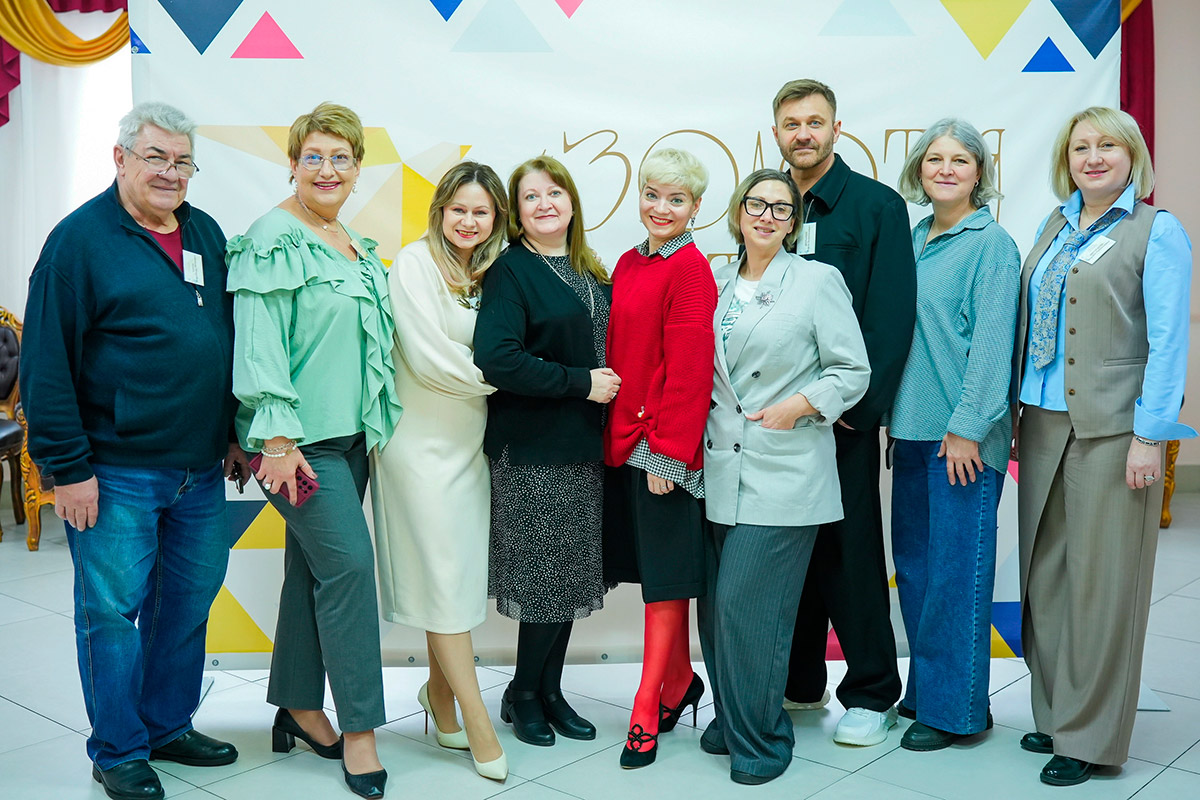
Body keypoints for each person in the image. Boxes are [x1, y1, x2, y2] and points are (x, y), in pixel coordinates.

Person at [19, 101, 244, 800]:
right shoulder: (78, 243)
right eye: (155, 157)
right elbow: (45, 366)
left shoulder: (204, 231)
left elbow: (224, 338)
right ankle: (117, 749)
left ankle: (167, 724)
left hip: (199, 468)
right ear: (120, 158)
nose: (170, 173)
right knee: (111, 613)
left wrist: (233, 432)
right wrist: (67, 470)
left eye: (182, 161)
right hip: (113, 471)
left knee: (187, 604)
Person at [227, 102, 402, 799]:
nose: (327, 170)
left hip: (350, 443)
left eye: (341, 158)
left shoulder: (350, 241)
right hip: (295, 450)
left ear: (357, 168)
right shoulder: (271, 237)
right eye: (314, 157)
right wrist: (275, 438)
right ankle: (360, 731)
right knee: (351, 570)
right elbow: (259, 342)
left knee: (313, 571)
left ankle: (298, 707)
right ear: (293, 164)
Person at [1015, 106, 1194, 787]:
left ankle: (1090, 735)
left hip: (1117, 429)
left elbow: (1169, 342)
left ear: (1131, 156)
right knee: (1047, 577)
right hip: (1042, 422)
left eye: (1107, 146)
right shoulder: (1053, 224)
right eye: (1081, 147)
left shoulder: (1156, 230)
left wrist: (1150, 435)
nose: (1093, 157)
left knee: (1103, 584)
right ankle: (1058, 712)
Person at [698, 169, 870, 784]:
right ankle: (733, 717)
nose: (767, 216)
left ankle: (763, 739)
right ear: (737, 212)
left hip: (785, 468)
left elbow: (852, 370)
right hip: (719, 471)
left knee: (748, 610)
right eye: (757, 204)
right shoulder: (714, 281)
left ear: (794, 222)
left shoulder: (818, 281)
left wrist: (802, 404)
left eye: (781, 208)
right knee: (717, 613)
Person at [772, 78, 915, 745]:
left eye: (814, 122)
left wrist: (858, 410)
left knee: (850, 552)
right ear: (776, 133)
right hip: (776, 418)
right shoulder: (768, 203)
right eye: (791, 123)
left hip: (842, 417)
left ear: (836, 128)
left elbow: (890, 317)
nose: (803, 133)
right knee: (789, 548)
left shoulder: (877, 206)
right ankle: (801, 682)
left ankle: (872, 692)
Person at [474, 155, 620, 749]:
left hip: (582, 448)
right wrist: (579, 383)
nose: (544, 204)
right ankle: (524, 694)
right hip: (533, 451)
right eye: (530, 197)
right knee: (542, 579)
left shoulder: (588, 268)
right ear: (516, 212)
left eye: (554, 192)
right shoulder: (511, 271)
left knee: (566, 576)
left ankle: (549, 691)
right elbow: (498, 358)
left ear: (572, 201)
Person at [369, 161, 508, 781]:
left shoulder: (495, 269)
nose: (469, 222)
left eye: (481, 211)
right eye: (459, 210)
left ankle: (440, 697)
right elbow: (431, 360)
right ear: (440, 211)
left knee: (449, 577)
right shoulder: (414, 263)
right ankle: (479, 725)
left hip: (470, 442)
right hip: (417, 446)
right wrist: (515, 378)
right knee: (446, 580)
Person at [888, 119, 1020, 751]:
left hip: (960, 439)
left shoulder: (991, 244)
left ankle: (955, 713)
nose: (945, 169)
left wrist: (967, 428)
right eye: (935, 159)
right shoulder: (915, 238)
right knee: (916, 570)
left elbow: (993, 348)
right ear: (919, 168)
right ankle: (931, 692)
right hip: (911, 432)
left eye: (960, 160)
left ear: (979, 173)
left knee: (954, 575)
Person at [602, 148, 717, 769]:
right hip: (622, 441)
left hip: (661, 449)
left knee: (667, 580)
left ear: (696, 207)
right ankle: (679, 683)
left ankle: (646, 707)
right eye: (653, 195)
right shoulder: (628, 262)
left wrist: (668, 455)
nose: (662, 208)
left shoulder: (692, 270)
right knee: (650, 572)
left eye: (677, 199)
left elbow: (690, 371)